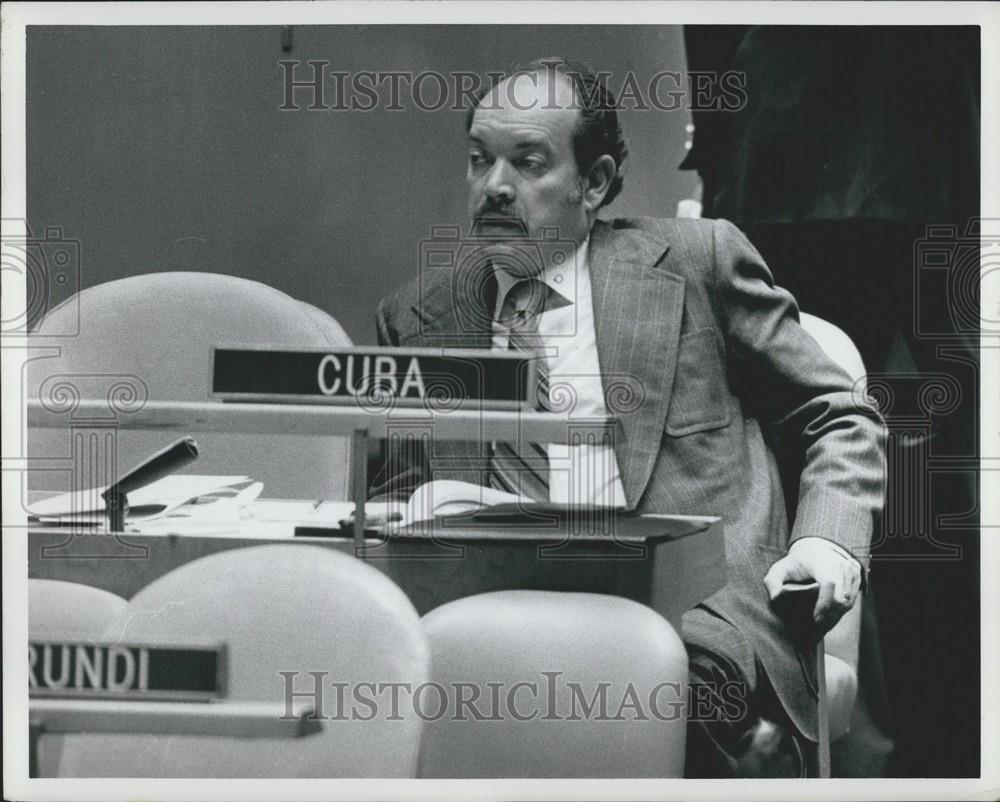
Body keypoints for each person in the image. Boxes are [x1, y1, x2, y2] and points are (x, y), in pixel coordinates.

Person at [373, 57, 886, 777]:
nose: (494, 187)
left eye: (527, 163)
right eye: (479, 160)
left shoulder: (697, 263)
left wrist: (828, 544)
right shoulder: (420, 319)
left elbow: (838, 416)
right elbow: (392, 504)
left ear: (597, 182)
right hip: (487, 611)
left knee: (653, 692)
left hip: (691, 619)